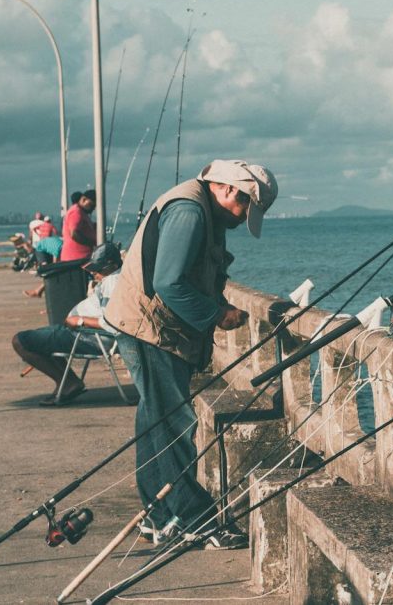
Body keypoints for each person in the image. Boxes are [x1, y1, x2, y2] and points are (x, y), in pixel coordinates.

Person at [105, 159, 278, 549]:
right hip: (150, 331)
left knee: (155, 422)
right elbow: (169, 284)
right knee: (173, 424)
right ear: (230, 189)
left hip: (148, 329)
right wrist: (216, 313)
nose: (240, 220)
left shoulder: (206, 211)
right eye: (244, 209)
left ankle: (159, 516)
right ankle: (193, 518)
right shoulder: (189, 211)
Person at [11, 242, 123, 406]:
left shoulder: (113, 282)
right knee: (41, 339)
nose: (94, 273)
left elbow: (112, 322)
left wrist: (78, 320)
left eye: (98, 269)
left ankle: (69, 383)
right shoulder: (115, 277)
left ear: (112, 266)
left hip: (87, 337)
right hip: (81, 333)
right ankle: (69, 383)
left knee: (20, 341)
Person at [61, 189, 97, 262]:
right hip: (76, 259)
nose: (93, 209)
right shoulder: (76, 212)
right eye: (91, 205)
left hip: (80, 258)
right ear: (84, 200)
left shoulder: (82, 213)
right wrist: (92, 243)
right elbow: (74, 234)